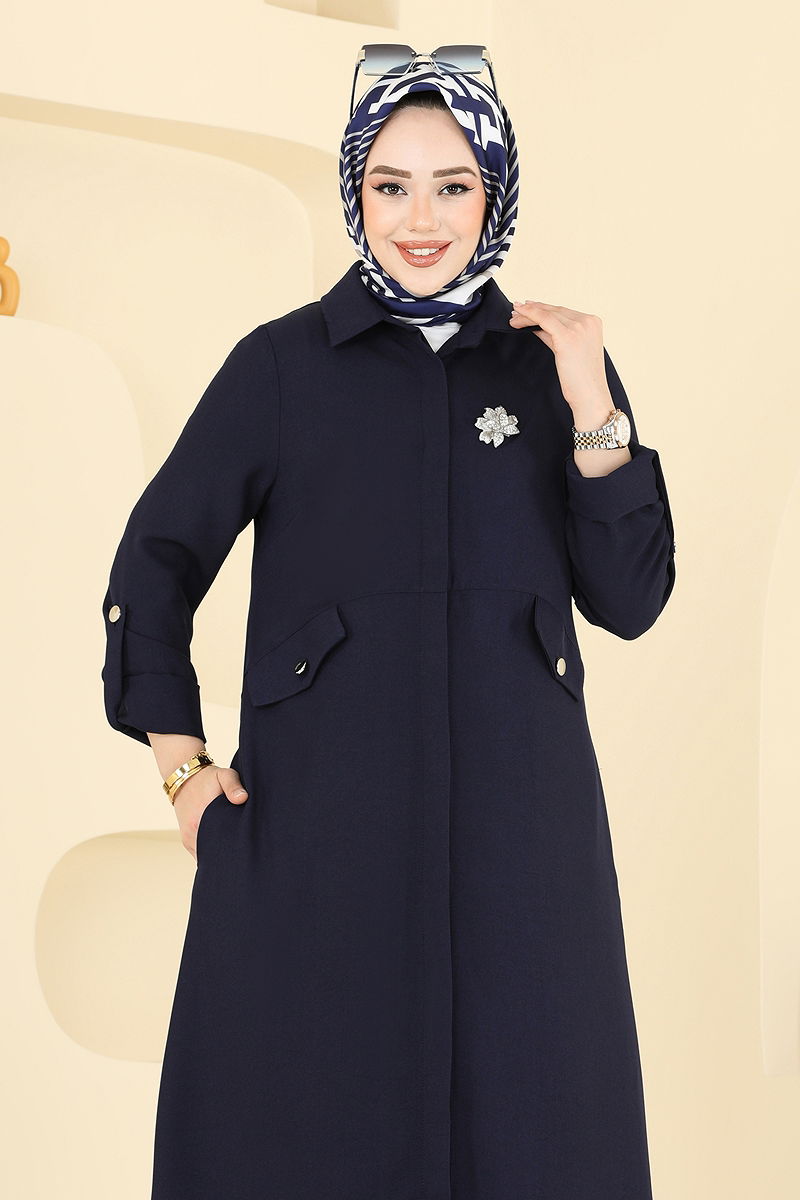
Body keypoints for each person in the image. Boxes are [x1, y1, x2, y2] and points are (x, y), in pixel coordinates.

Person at [101, 51, 676, 1200]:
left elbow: (629, 598)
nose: (421, 220)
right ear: (354, 190)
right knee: (301, 1131)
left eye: (452, 185)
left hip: (522, 843)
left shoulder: (551, 364)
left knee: (534, 1132)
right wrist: (182, 772)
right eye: (391, 184)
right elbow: (153, 563)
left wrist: (590, 400)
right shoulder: (282, 365)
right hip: (320, 837)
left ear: (493, 190)